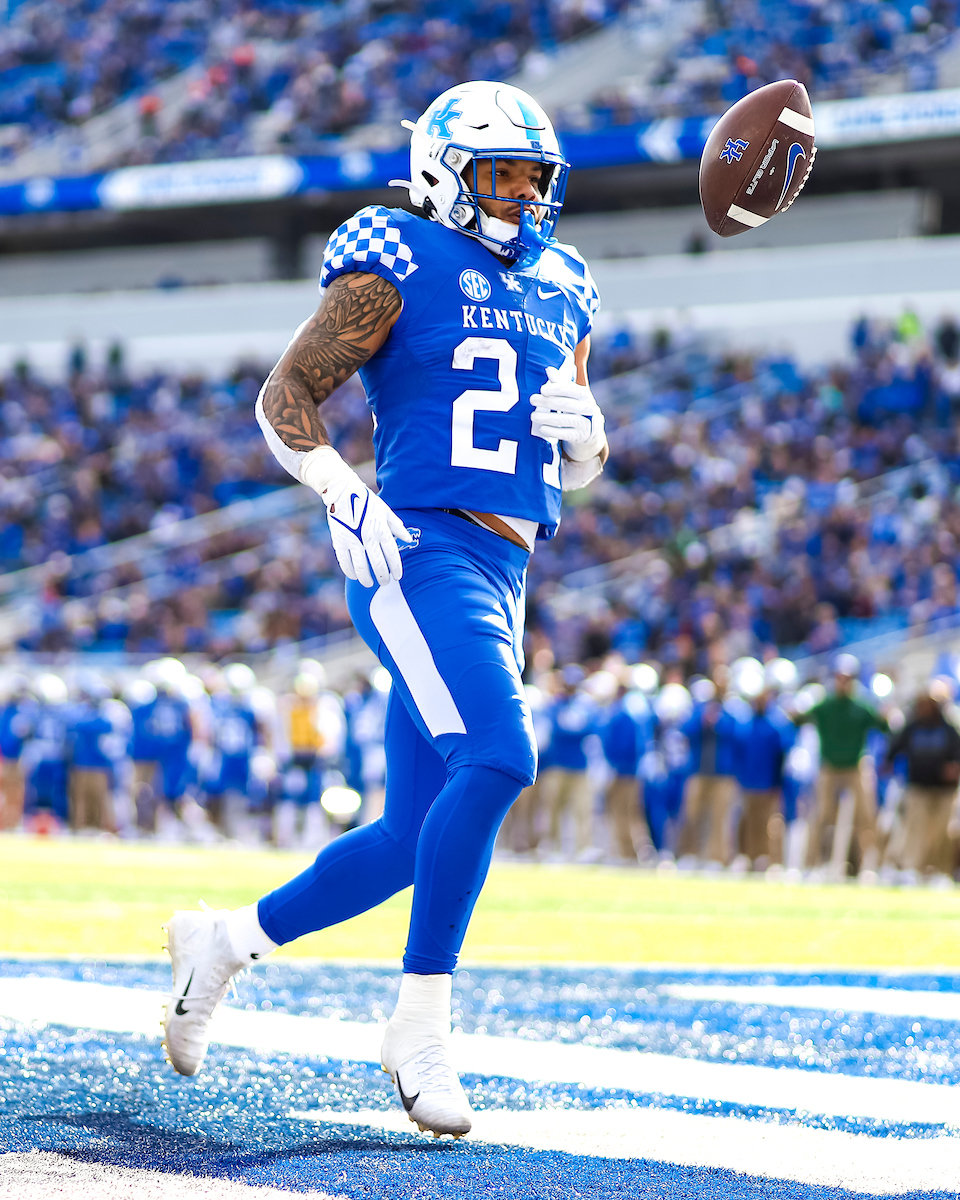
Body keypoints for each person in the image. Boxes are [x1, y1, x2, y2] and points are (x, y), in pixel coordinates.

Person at [161, 79, 605, 1139]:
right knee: (501, 757)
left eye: (535, 178)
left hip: (507, 569)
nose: (521, 197)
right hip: (415, 549)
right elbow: (286, 397)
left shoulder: (567, 281)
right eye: (501, 174)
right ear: (447, 174)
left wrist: (589, 445)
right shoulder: (398, 256)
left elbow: (574, 449)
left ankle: (223, 944)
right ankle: (418, 1028)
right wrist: (338, 489)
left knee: (414, 835)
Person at [794, 654, 889, 875]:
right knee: (821, 815)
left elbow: (884, 727)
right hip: (829, 766)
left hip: (856, 765)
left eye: (847, 678)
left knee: (866, 816)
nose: (843, 682)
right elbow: (799, 719)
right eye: (840, 677)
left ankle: (869, 866)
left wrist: (886, 715)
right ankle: (811, 865)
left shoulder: (862, 705)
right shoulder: (825, 704)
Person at [882, 689, 960, 878]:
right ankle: (912, 868)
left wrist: (954, 767)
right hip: (917, 786)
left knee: (942, 832)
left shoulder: (948, 730)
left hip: (944, 789)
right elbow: (895, 747)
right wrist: (888, 762)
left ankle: (940, 871)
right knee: (914, 829)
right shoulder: (912, 727)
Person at [677, 671, 741, 866]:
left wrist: (719, 723)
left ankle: (717, 858)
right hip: (698, 771)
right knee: (692, 814)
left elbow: (738, 735)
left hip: (722, 774)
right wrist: (703, 720)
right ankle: (689, 854)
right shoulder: (701, 709)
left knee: (719, 818)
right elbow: (686, 729)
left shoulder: (732, 710)